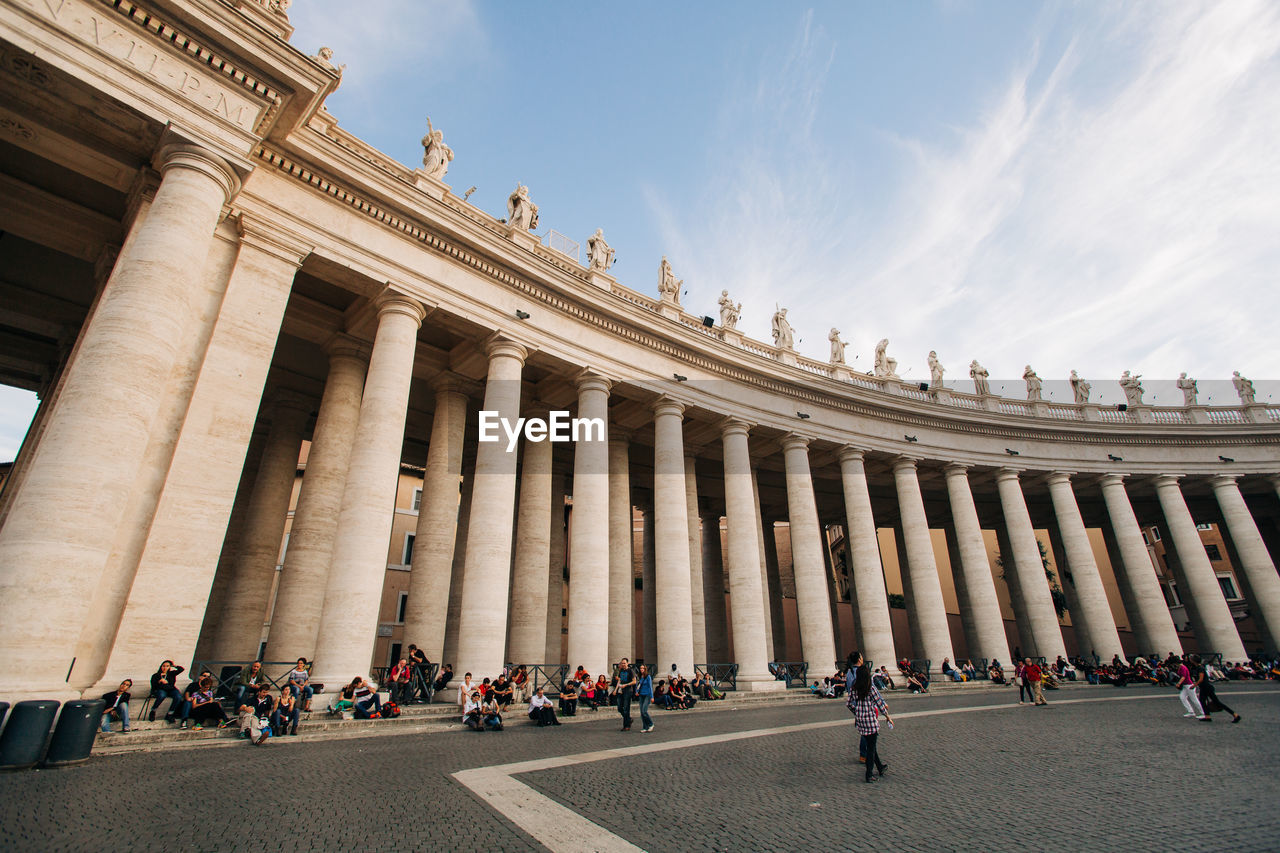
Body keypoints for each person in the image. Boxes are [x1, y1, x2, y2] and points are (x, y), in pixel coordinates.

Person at [848, 665, 892, 784]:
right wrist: (888, 717)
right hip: (870, 720)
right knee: (871, 749)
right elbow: (880, 704)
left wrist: (857, 711)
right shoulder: (870, 688)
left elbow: (849, 703)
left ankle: (880, 767)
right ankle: (869, 774)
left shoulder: (853, 688)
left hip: (860, 720)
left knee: (871, 745)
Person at [1192, 655, 1240, 724]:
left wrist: (1194, 685)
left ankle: (1235, 715)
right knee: (1202, 701)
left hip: (1207, 687)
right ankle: (1207, 716)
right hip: (1203, 687)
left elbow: (1201, 679)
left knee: (1217, 702)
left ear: (1194, 661)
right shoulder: (1198, 667)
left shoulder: (1200, 668)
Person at [1173, 656, 1207, 721]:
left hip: (1189, 685)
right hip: (1185, 685)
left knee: (1194, 699)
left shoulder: (1183, 667)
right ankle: (1191, 711)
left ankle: (1203, 712)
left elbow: (1183, 677)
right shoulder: (1181, 667)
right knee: (1182, 697)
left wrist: (1178, 683)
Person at [616, 657, 636, 731]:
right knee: (619, 707)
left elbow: (634, 681)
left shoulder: (631, 671)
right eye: (622, 663)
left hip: (628, 691)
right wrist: (617, 689)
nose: (623, 664)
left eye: (624, 663)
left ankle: (626, 726)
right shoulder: (621, 671)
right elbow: (620, 680)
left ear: (627, 663)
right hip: (621, 690)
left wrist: (626, 685)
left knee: (626, 708)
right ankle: (629, 719)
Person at [636, 664, 654, 733]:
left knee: (644, 711)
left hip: (647, 695)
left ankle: (651, 724)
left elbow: (650, 687)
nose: (641, 669)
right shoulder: (640, 677)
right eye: (640, 668)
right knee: (641, 712)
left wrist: (652, 697)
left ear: (645, 669)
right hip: (641, 695)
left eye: (643, 668)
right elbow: (638, 685)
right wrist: (637, 691)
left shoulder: (648, 677)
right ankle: (645, 727)